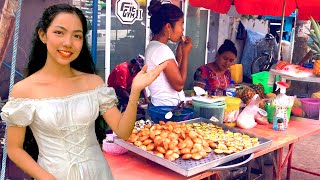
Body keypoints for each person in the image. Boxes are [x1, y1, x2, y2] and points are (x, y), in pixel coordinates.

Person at [0, 4, 167, 180]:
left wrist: (135, 91)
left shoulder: (93, 83)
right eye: (59, 32)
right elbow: (14, 149)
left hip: (99, 173)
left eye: (77, 36)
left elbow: (123, 132)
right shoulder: (24, 90)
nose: (68, 42)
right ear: (43, 35)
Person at [145, 0, 193, 106]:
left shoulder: (154, 46)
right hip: (165, 109)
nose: (182, 30)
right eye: (181, 24)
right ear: (168, 27)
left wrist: (179, 55)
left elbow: (174, 75)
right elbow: (179, 85)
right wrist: (185, 54)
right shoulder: (161, 49)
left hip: (162, 107)